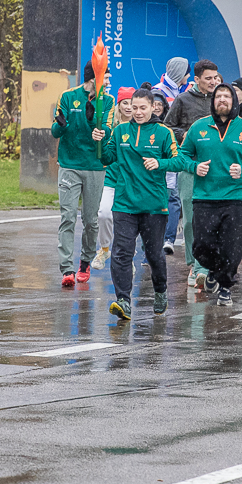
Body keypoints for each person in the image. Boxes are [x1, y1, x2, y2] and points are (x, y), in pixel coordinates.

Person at [175, 83, 242, 305]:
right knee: (200, 246)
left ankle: (225, 287)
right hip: (205, 197)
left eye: (227, 96)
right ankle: (213, 272)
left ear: (234, 101)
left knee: (232, 247)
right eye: (218, 97)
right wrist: (194, 167)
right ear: (212, 101)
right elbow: (182, 156)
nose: (222, 100)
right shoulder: (199, 127)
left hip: (235, 198)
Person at [94, 88, 180, 319]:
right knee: (121, 253)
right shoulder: (121, 130)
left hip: (154, 205)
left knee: (153, 255)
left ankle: (160, 290)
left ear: (153, 107)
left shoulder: (163, 133)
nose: (138, 112)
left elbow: (178, 160)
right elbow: (106, 158)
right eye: (134, 107)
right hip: (124, 203)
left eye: (143, 108)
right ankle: (123, 300)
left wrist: (159, 163)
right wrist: (99, 143)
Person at [52, 62, 115, 287]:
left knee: (90, 220)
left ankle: (85, 261)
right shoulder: (68, 97)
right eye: (105, 78)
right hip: (69, 164)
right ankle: (67, 269)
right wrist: (61, 124)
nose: (108, 83)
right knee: (67, 216)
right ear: (92, 78)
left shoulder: (108, 101)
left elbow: (108, 128)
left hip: (95, 167)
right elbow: (55, 131)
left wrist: (101, 132)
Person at [164, 59, 221, 287]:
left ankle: (206, 265)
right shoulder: (183, 100)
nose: (213, 82)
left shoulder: (221, 100)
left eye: (216, 78)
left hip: (216, 168)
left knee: (211, 220)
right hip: (189, 167)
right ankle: (193, 264)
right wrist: (184, 133)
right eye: (208, 78)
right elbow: (167, 127)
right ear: (196, 79)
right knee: (189, 220)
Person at [93, 87, 135, 270]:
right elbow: (104, 154)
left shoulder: (140, 128)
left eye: (132, 103)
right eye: (125, 103)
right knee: (103, 213)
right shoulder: (111, 128)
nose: (128, 107)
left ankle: (128, 257)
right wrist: (99, 141)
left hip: (132, 181)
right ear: (119, 105)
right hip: (112, 178)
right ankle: (104, 249)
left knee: (128, 219)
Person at [150, 90, 181, 255]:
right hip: (150, 175)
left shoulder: (168, 127)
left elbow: (177, 156)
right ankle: (153, 242)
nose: (156, 108)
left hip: (168, 171)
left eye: (159, 105)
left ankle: (169, 239)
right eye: (153, 104)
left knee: (172, 200)